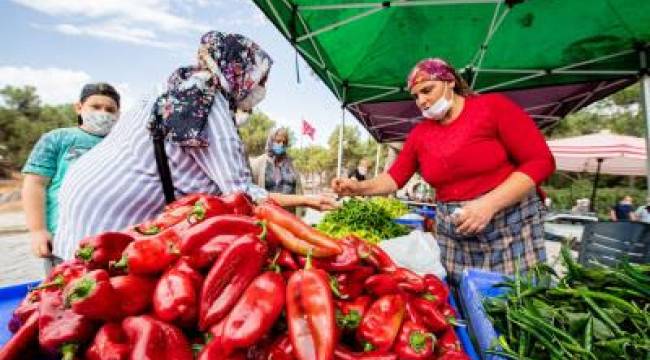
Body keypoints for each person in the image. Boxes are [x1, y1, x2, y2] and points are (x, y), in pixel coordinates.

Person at [53, 31, 336, 261]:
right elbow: (242, 196)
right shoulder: (210, 104)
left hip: (81, 204)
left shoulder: (172, 88)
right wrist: (307, 201)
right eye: (260, 78)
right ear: (239, 71)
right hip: (108, 223)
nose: (261, 88)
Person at [331, 58, 555, 282]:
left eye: (427, 90)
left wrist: (489, 204)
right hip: (455, 235)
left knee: (514, 298)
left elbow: (540, 161)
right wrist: (358, 187)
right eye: (416, 96)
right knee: (459, 298)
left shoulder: (492, 107)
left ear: (449, 82)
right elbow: (393, 179)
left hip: (508, 227)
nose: (422, 101)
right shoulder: (420, 134)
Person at [21, 83, 121, 272]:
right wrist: (37, 231)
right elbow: (35, 184)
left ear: (118, 114)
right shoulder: (58, 138)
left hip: (111, 243)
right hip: (64, 244)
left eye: (110, 109)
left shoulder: (121, 144)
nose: (103, 113)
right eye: (96, 107)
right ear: (79, 107)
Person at [250, 127, 301, 196]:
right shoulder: (259, 163)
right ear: (271, 141)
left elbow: (298, 189)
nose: (282, 144)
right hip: (267, 206)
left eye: (284, 142)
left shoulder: (291, 164)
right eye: (278, 141)